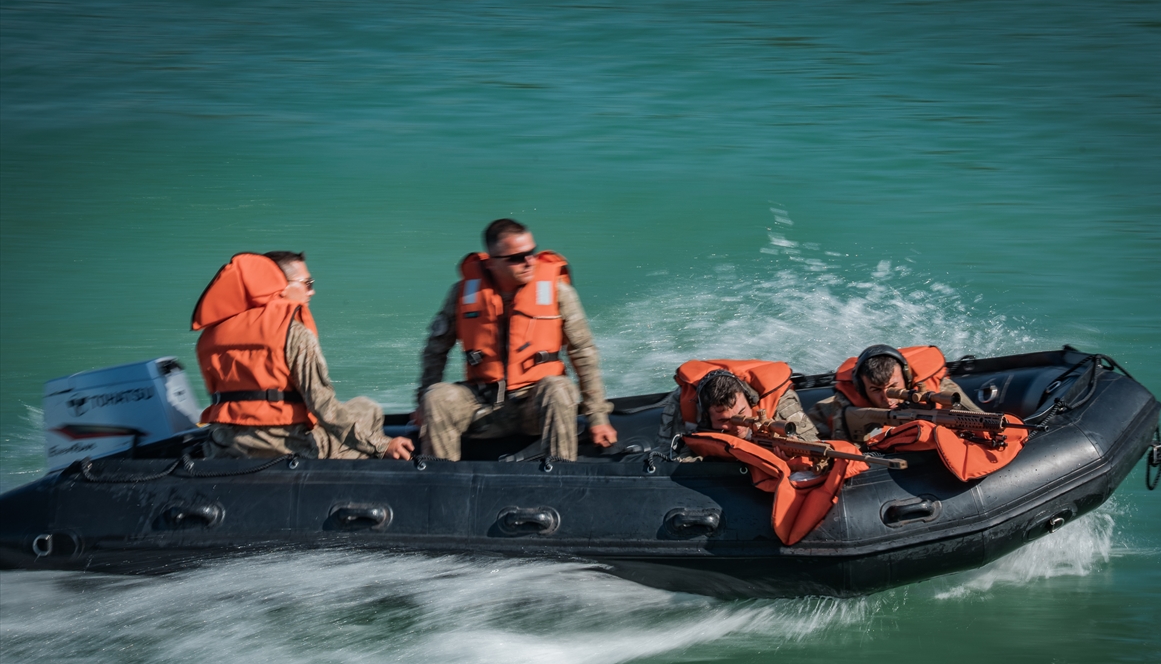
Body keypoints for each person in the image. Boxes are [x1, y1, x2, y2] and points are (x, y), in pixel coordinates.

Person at [417, 219, 618, 461]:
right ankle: (441, 482)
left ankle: (561, 476)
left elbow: (583, 352)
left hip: (533, 405)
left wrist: (597, 417)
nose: (529, 262)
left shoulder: (557, 291)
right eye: (516, 257)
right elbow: (435, 350)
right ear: (491, 263)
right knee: (436, 396)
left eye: (531, 253)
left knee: (559, 389)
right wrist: (421, 406)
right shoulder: (463, 294)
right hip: (482, 405)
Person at [192, 251, 414, 460]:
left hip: (224, 446)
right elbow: (324, 407)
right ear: (281, 287)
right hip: (286, 446)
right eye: (307, 284)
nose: (312, 291)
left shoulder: (210, 338)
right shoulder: (293, 332)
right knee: (369, 409)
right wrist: (382, 445)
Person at [807, 344, 982, 443]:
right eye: (876, 390)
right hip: (830, 416)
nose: (887, 398)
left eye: (893, 387)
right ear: (861, 387)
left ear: (907, 378)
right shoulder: (846, 402)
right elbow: (847, 451)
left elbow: (979, 419)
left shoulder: (937, 388)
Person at [657, 359, 820, 459]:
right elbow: (667, 454)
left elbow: (813, 445)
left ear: (751, 401)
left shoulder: (780, 401)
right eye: (724, 420)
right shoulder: (683, 401)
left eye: (742, 413)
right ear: (706, 416)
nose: (737, 427)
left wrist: (790, 455)